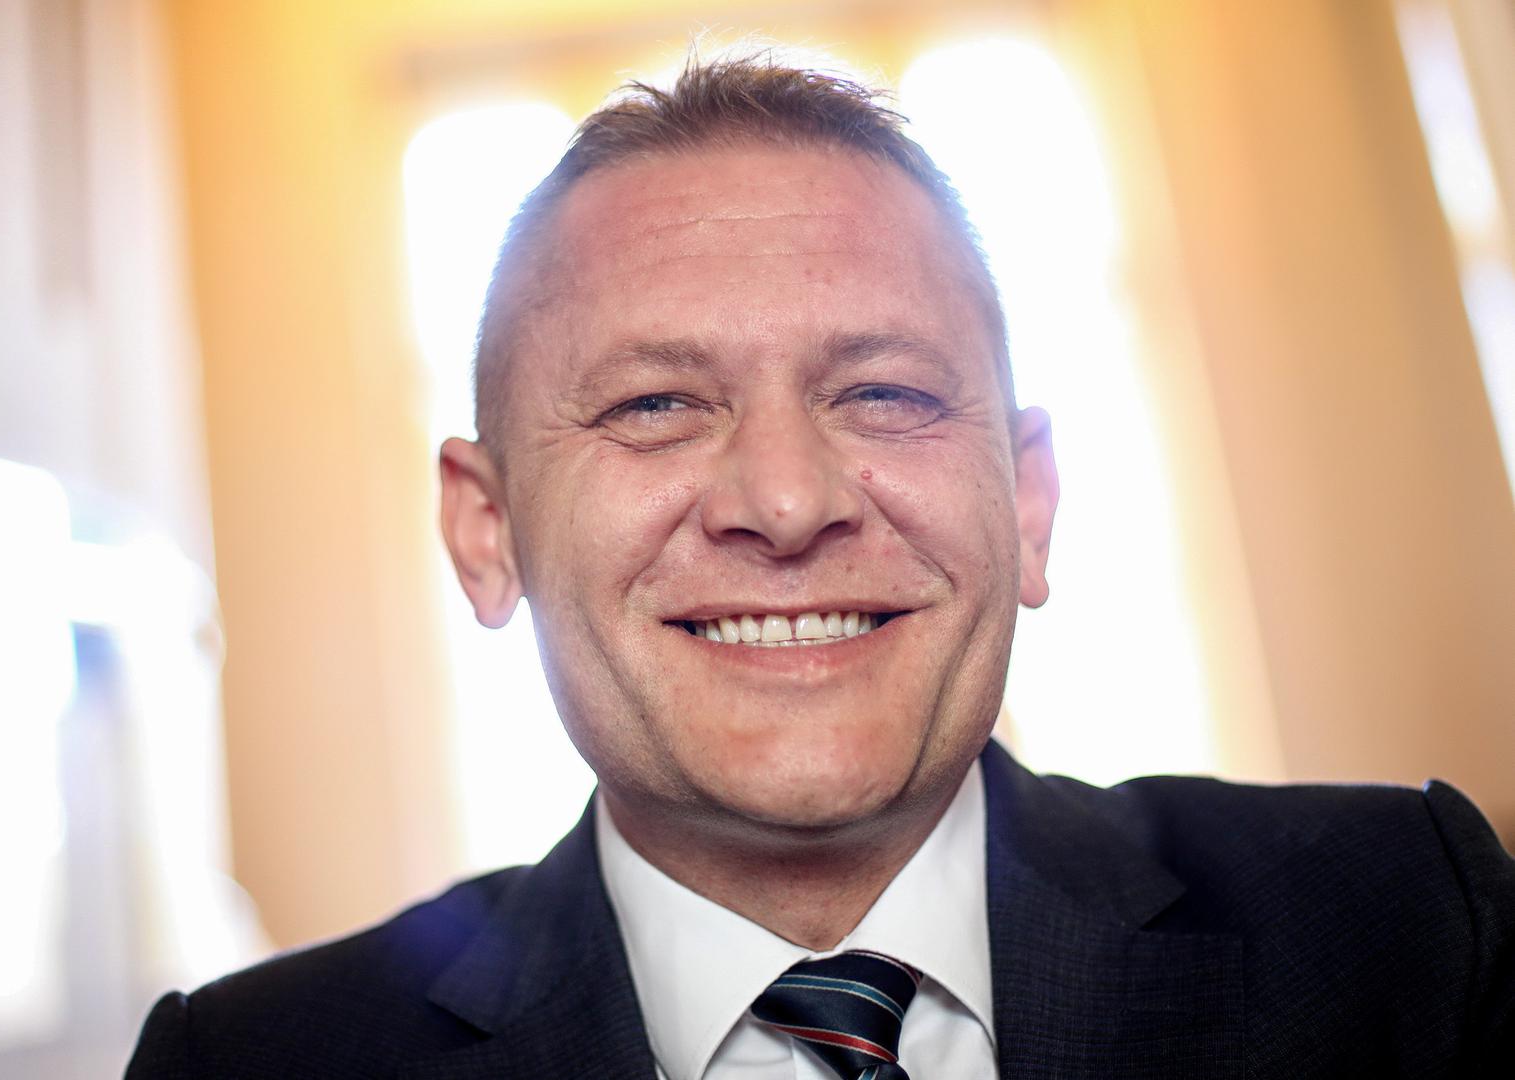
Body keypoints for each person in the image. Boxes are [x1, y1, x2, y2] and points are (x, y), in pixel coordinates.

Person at [126, 55, 1514, 1079]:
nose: (787, 504)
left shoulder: (1410, 927)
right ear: (487, 533)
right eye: (656, 404)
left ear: (1028, 499)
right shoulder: (251, 1067)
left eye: (886, 394)